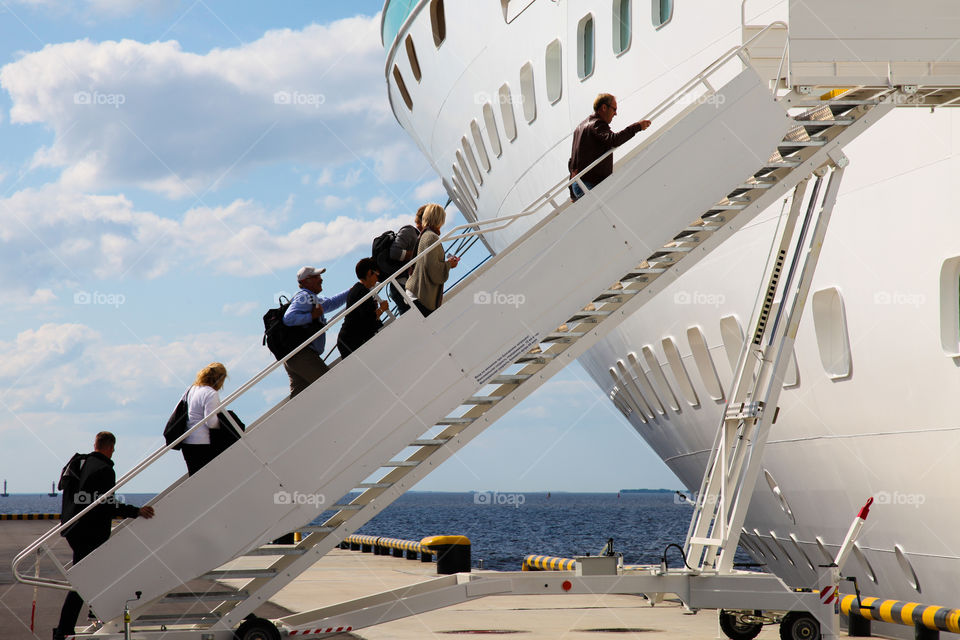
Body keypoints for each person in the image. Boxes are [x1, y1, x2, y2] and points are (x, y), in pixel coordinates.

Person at [54, 432, 155, 640]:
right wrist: (135, 511)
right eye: (113, 449)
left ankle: (89, 617)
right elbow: (106, 505)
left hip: (72, 529)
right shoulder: (105, 469)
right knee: (83, 581)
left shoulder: (78, 463)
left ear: (95, 445)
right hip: (90, 532)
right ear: (110, 447)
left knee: (92, 576)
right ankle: (64, 629)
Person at [568, 93, 651, 201]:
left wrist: (572, 193)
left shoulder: (579, 128)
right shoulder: (597, 123)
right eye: (614, 109)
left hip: (579, 184)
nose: (615, 113)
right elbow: (614, 140)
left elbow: (572, 162)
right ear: (604, 107)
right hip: (589, 183)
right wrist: (637, 127)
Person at [282, 266, 349, 396]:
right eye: (316, 276)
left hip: (294, 356)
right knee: (330, 386)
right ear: (306, 281)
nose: (321, 279)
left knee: (300, 397)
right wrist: (311, 316)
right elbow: (288, 318)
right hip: (302, 355)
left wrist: (353, 289)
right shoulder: (304, 297)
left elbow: (331, 303)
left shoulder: (310, 298)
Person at [406, 203, 459, 317]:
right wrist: (449, 265)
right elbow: (433, 270)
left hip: (416, 292)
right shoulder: (431, 237)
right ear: (440, 219)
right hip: (421, 296)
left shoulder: (425, 235)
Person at [337, 258, 390, 358]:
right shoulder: (362, 292)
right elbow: (369, 319)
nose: (377, 279)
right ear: (369, 273)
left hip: (348, 340)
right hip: (352, 341)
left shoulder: (357, 290)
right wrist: (382, 309)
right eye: (376, 274)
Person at [180, 362, 227, 476]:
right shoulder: (211, 393)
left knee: (195, 477)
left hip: (187, 442)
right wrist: (225, 424)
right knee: (208, 477)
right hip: (203, 443)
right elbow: (210, 422)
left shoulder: (191, 389)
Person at [386, 205, 425, 314]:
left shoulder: (421, 236)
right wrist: (417, 253)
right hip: (402, 286)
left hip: (407, 286)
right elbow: (395, 252)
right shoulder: (410, 231)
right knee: (417, 316)